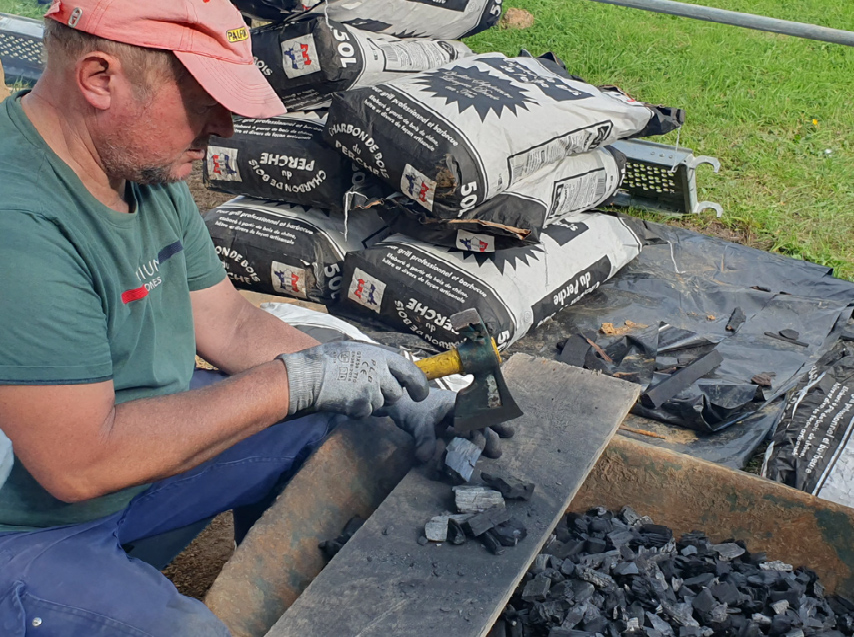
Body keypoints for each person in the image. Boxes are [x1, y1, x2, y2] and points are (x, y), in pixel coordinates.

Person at [0, 0, 460, 634]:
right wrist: (294, 382)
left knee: (334, 423)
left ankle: (268, 604)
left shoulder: (139, 173)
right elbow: (78, 465)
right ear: (100, 78)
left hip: (119, 452)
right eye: (201, 100)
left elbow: (231, 324)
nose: (223, 128)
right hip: (28, 516)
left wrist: (382, 387)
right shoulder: (19, 224)